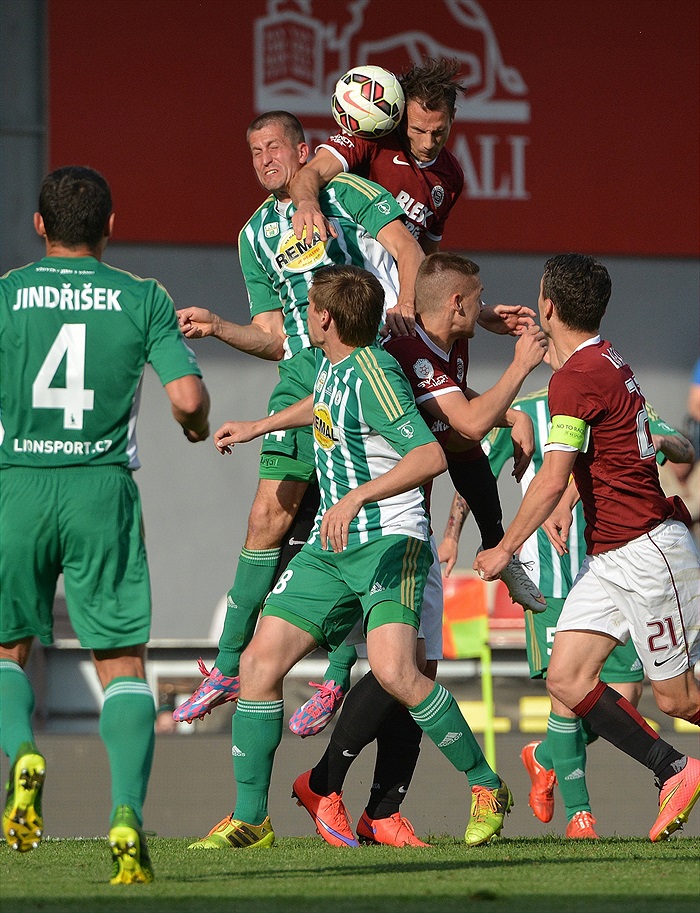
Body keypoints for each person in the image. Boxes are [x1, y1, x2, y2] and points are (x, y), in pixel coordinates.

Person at [188, 264, 514, 851]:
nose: (305, 316)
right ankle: (250, 820)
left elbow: (427, 456)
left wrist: (359, 495)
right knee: (260, 666)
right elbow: (322, 403)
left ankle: (486, 784)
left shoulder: (375, 371)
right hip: (332, 546)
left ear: (326, 318)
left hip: (391, 540)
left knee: (396, 673)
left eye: (310, 308)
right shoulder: (338, 367)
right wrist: (259, 425)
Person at [171, 111, 425, 729]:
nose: (264, 160)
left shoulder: (348, 193)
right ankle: (228, 666)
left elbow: (407, 250)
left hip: (364, 368)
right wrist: (218, 328)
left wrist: (408, 313)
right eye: (253, 151)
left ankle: (337, 674)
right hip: (301, 377)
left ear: (303, 149)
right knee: (267, 518)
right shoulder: (254, 234)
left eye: (274, 147)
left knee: (354, 526)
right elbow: (272, 335)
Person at [292, 252, 547, 847]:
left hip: (411, 529)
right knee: (399, 671)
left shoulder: (438, 339)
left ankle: (376, 810)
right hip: (387, 532)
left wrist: (505, 398)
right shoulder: (405, 349)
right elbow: (462, 425)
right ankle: (329, 779)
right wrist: (519, 374)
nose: (486, 305)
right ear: (456, 302)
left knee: (409, 673)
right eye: (477, 298)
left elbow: (462, 417)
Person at [0, 166, 210, 883]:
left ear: (39, 226)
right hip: (102, 490)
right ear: (110, 225)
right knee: (122, 663)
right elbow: (186, 398)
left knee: (7, 650)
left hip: (19, 483)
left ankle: (24, 754)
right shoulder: (142, 298)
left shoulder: (6, 295)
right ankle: (124, 816)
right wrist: (196, 424)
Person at [289, 57, 545, 620]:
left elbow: (427, 259)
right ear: (400, 119)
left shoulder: (449, 176)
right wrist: (308, 200)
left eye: (440, 130)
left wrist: (472, 315)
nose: (428, 141)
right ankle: (307, 571)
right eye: (419, 130)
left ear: (453, 122)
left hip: (411, 322)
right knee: (351, 438)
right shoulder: (368, 143)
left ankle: (500, 551)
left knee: (455, 442)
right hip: (355, 321)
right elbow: (308, 174)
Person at [475, 253, 700, 842]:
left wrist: (504, 548)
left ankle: (670, 767)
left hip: (650, 553)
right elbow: (609, 452)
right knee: (567, 679)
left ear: (549, 306)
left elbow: (551, 475)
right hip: (611, 557)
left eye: (538, 298)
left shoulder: (574, 379)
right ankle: (674, 769)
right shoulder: (601, 361)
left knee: (678, 698)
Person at [441, 375, 695, 838]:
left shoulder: (619, 395)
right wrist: (454, 533)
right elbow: (476, 471)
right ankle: (581, 818)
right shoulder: (526, 412)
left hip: (620, 564)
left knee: (628, 697)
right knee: (568, 688)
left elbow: (684, 449)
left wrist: (662, 440)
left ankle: (545, 756)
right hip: (552, 578)